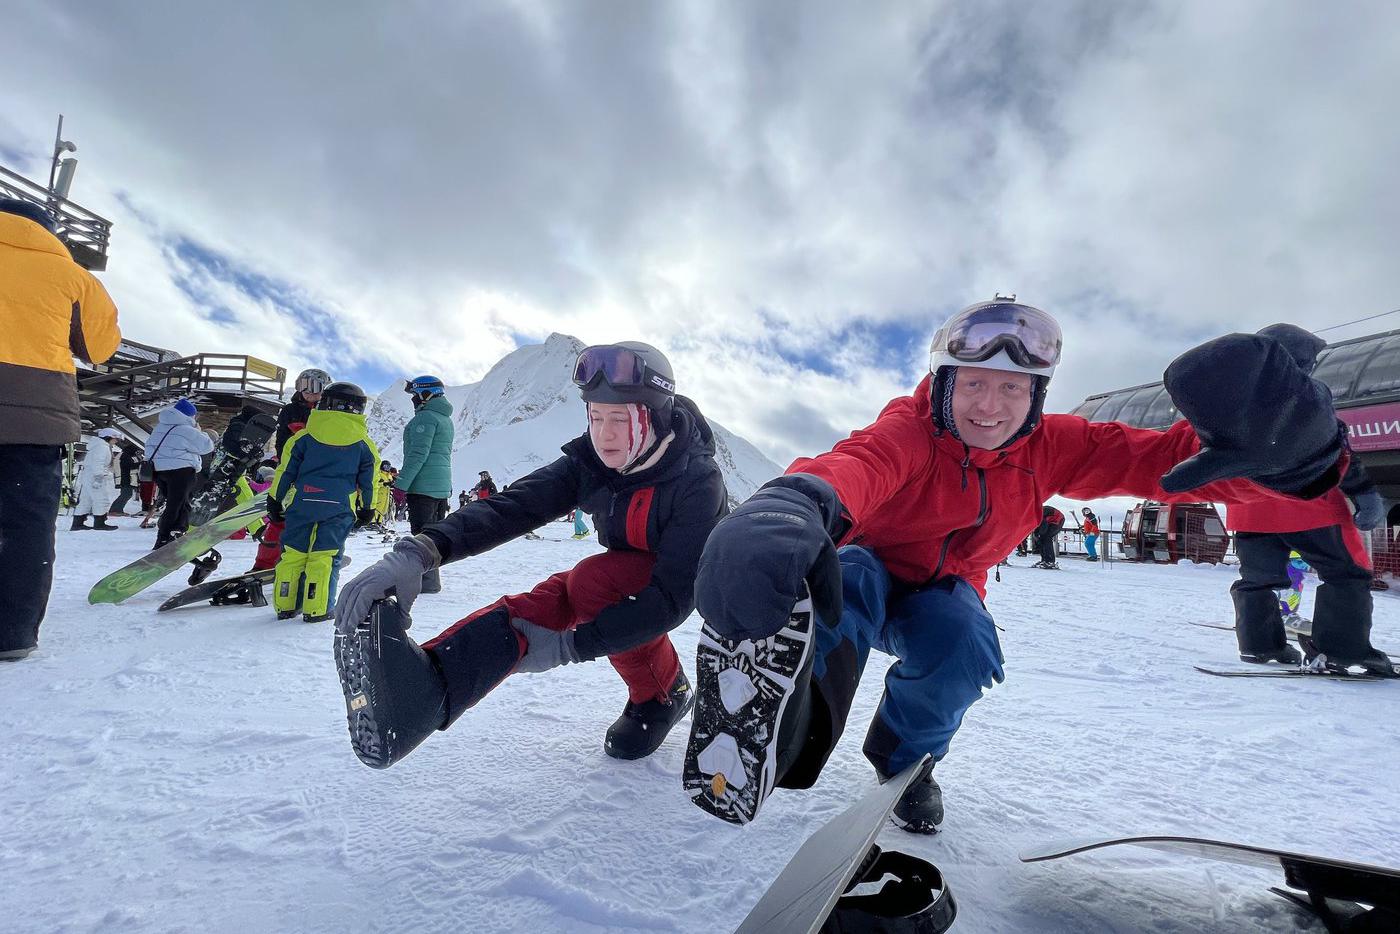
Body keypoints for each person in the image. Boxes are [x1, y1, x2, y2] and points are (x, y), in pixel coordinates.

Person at [682, 297, 1354, 833]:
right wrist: (796, 502)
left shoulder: (1054, 446)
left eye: (1012, 388)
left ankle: (905, 762)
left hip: (944, 590)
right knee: (846, 579)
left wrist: (1278, 453)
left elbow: (1159, 460)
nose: (989, 406)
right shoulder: (910, 431)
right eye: (973, 383)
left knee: (965, 646)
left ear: (1036, 394)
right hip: (869, 567)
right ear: (945, 382)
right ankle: (775, 720)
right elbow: (857, 463)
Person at [333, 341, 727, 767]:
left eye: (619, 418)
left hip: (682, 584)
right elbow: (516, 505)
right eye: (595, 416)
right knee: (561, 596)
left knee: (597, 583)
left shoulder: (697, 481)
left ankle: (664, 695)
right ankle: (428, 689)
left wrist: (573, 646)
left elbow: (672, 597)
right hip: (622, 573)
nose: (604, 433)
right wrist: (423, 550)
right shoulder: (593, 459)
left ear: (656, 414)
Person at [1225, 324, 1390, 673]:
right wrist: (1363, 492)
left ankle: (1259, 645)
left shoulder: (1233, 398)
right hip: (1308, 506)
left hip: (1249, 509)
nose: (1314, 365)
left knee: (1257, 578)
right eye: (1311, 358)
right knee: (1347, 573)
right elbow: (1334, 448)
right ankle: (1343, 650)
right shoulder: (1306, 394)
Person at [0, 198, 122, 660]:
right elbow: (101, 346)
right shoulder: (73, 277)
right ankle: (11, 633)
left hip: (36, 413)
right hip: (34, 413)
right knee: (25, 523)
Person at [268, 383, 378, 623]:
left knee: (293, 554)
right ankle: (317, 609)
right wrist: (367, 508)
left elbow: (285, 471)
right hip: (338, 507)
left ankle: (285, 605)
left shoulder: (303, 437)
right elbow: (369, 481)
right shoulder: (364, 443)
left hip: (303, 502)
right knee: (325, 555)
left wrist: (275, 499)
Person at [394, 375, 455, 594]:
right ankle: (431, 580)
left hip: (423, 487)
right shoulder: (445, 419)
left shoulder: (425, 419)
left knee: (421, 534)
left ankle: (423, 582)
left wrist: (401, 484)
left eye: (415, 395)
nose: (414, 400)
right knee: (433, 535)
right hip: (440, 487)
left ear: (426, 394)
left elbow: (417, 455)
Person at [144, 399, 215, 549]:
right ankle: (167, 536)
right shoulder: (186, 429)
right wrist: (199, 430)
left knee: (174, 503)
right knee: (179, 505)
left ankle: (170, 534)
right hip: (181, 470)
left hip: (159, 471)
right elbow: (206, 447)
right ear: (189, 416)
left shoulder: (161, 427)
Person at [72, 429, 121, 530]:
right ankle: (99, 523)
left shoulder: (98, 446)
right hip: (95, 477)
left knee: (86, 500)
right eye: (115, 439)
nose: (116, 441)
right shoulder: (102, 447)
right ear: (109, 437)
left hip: (88, 476)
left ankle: (77, 523)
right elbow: (98, 462)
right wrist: (98, 477)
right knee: (101, 499)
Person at [276, 368, 330, 457]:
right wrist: (281, 458)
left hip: (319, 458)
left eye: (314, 387)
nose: (308, 391)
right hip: (292, 456)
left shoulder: (329, 413)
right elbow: (282, 437)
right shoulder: (290, 410)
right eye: (303, 386)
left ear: (324, 390)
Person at [111, 437, 141, 516]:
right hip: (125, 478)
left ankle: (117, 509)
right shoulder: (125, 456)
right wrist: (139, 464)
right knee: (126, 494)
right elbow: (129, 466)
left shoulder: (124, 455)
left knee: (126, 494)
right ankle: (115, 510)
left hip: (125, 478)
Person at [1032, 504, 1066, 568]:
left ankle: (1050, 561)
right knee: (1041, 539)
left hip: (1057, 520)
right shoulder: (1033, 514)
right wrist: (1036, 534)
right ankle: (1044, 560)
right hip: (1049, 522)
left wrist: (1039, 534)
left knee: (1046, 538)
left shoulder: (1039, 512)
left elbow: (1043, 524)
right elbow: (1037, 525)